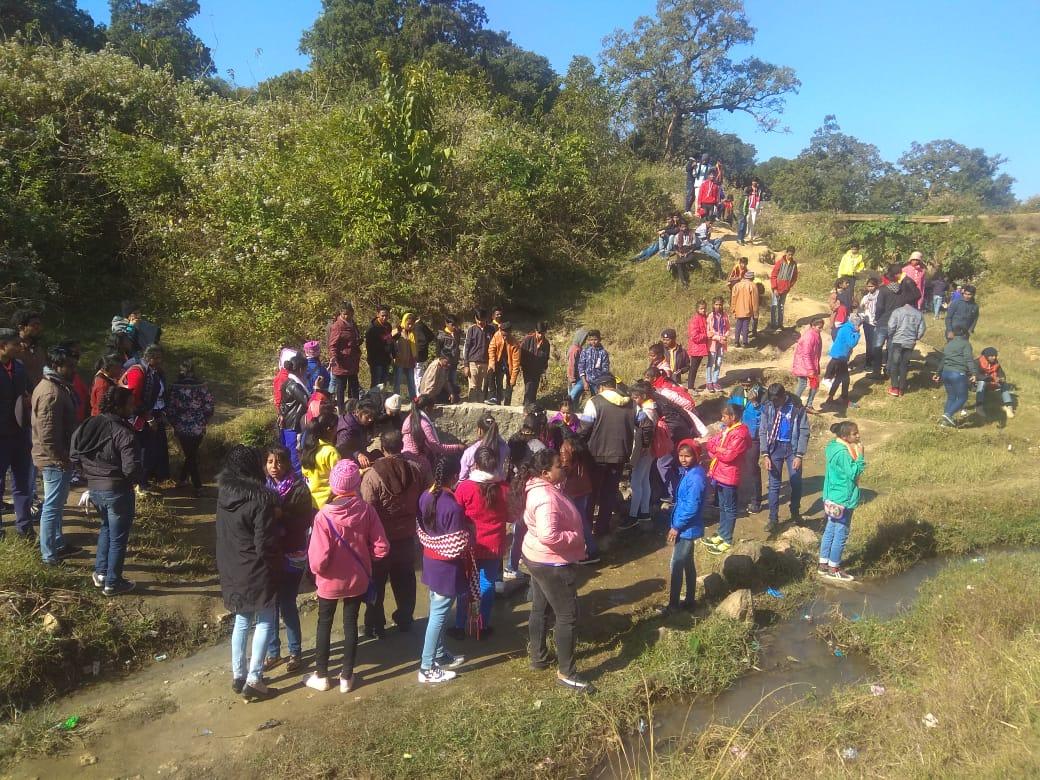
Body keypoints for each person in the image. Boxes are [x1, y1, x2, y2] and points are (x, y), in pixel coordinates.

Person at [306, 459, 389, 693]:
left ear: (333, 486)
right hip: (357, 580)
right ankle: (346, 677)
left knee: (324, 623)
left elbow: (318, 560)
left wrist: (318, 573)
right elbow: (382, 547)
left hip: (329, 582)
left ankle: (322, 675)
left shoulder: (323, 516)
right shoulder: (367, 511)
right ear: (356, 484)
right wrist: (367, 559)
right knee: (350, 623)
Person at [517, 449, 591, 691]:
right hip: (551, 563)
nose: (564, 467)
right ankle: (567, 673)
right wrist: (575, 537)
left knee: (541, 607)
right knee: (567, 615)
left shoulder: (541, 488)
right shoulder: (546, 498)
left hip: (536, 556)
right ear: (545, 473)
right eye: (559, 465)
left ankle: (538, 658)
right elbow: (550, 534)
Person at [215, 445, 280, 701]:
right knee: (265, 619)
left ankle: (239, 674)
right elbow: (265, 544)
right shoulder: (261, 499)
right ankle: (254, 679)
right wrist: (276, 565)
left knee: (242, 620)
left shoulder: (223, 495)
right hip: (256, 568)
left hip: (232, 567)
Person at [70, 386, 139, 594]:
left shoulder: (89, 424)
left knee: (106, 529)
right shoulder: (123, 432)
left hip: (95, 489)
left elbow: (74, 454)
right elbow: (131, 468)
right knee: (118, 537)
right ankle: (113, 582)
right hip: (117, 490)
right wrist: (130, 480)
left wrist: (90, 475)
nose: (133, 407)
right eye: (130, 404)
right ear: (119, 406)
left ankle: (100, 574)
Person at [359, 428, 424, 640]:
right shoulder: (415, 469)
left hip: (380, 540)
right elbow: (425, 496)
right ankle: (405, 618)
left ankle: (376, 626)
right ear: (401, 447)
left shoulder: (372, 476)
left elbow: (367, 509)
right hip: (406, 535)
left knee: (377, 582)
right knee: (405, 579)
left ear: (383, 448)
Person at [415, 456, 470, 684]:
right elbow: (458, 545)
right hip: (447, 567)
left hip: (431, 561)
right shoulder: (453, 507)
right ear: (455, 476)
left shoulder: (425, 496)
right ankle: (426, 667)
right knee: (438, 615)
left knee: (436, 609)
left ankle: (437, 654)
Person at [262, 445, 314, 674]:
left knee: (287, 603)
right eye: (271, 462)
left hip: (293, 554)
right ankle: (273, 652)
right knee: (270, 605)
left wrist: (283, 515)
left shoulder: (300, 489)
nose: (275, 467)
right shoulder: (262, 489)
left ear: (288, 464)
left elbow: (305, 522)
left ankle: (295, 652)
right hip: (271, 555)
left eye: (280, 462)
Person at [452, 446, 509, 638]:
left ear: (475, 464)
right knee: (487, 584)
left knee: (464, 585)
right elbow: (510, 516)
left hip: (469, 545)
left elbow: (456, 515)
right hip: (494, 545)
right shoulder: (504, 488)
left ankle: (460, 626)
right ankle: (482, 626)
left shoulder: (465, 487)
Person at [31, 345, 80, 565]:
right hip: (54, 459)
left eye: (73, 364)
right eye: (68, 366)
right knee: (51, 507)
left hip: (57, 456)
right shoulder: (51, 392)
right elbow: (47, 433)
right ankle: (49, 555)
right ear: (56, 366)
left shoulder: (57, 386)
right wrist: (60, 458)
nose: (73, 369)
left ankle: (58, 543)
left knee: (57, 505)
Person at [580, 377, 635, 536]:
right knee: (609, 493)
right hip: (620, 456)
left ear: (602, 387)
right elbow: (644, 423)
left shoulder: (594, 402)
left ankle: (587, 529)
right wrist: (644, 444)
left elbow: (585, 429)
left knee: (591, 493)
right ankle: (602, 529)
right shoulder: (630, 403)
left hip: (596, 456)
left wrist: (578, 447)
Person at [818, 421, 866, 582]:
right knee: (841, 533)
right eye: (854, 433)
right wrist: (861, 456)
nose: (858, 435)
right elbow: (853, 473)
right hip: (842, 498)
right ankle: (834, 568)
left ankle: (823, 565)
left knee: (830, 529)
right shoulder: (843, 453)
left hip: (831, 495)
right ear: (845, 436)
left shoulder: (833, 446)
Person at [663, 439, 707, 612]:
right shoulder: (690, 472)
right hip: (687, 526)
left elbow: (691, 507)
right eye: (680, 456)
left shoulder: (695, 478)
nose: (683, 459)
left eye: (687, 456)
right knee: (688, 563)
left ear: (695, 456)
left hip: (687, 528)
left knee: (676, 564)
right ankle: (690, 600)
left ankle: (673, 606)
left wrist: (677, 526)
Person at [759, 383, 809, 533]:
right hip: (774, 448)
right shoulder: (768, 407)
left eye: (777, 401)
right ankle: (773, 519)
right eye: (772, 400)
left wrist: (799, 455)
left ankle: (795, 513)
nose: (774, 403)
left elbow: (804, 430)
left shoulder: (796, 407)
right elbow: (763, 430)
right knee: (774, 485)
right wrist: (765, 454)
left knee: (796, 481)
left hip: (792, 449)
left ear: (783, 396)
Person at [120, 344, 169, 494]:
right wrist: (148, 417)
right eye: (158, 358)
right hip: (138, 419)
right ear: (150, 357)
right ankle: (138, 484)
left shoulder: (152, 371)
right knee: (142, 450)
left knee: (150, 450)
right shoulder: (138, 371)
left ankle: (144, 481)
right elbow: (133, 399)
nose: (160, 361)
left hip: (149, 414)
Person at [166, 359, 215, 496]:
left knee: (190, 454)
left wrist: (174, 423)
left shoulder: (175, 388)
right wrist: (204, 420)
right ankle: (196, 485)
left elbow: (170, 409)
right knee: (191, 454)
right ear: (193, 371)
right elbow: (209, 407)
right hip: (198, 427)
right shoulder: (202, 386)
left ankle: (187, 482)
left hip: (181, 426)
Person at [627, 382, 664, 528]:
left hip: (644, 451)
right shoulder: (653, 406)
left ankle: (633, 515)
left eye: (635, 397)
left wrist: (644, 446)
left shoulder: (644, 412)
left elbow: (646, 430)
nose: (633, 399)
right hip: (651, 450)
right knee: (644, 480)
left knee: (636, 483)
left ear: (642, 396)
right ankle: (645, 512)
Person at [557, 432, 597, 563]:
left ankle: (589, 551)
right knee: (582, 519)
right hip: (584, 485)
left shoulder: (565, 447)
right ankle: (589, 549)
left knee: (576, 521)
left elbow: (565, 467)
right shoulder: (580, 445)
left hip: (572, 488)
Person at [402, 395, 464, 472]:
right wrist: (458, 447)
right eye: (432, 408)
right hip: (419, 463)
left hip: (405, 458)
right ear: (427, 409)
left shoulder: (408, 419)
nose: (433, 411)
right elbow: (436, 447)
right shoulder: (424, 424)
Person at [870, 263, 908, 381]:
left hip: (883, 322)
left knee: (877, 347)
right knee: (891, 348)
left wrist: (876, 317)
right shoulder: (902, 290)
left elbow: (880, 307)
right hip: (896, 323)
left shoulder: (883, 290)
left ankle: (876, 372)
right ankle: (889, 370)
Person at [934, 326, 975, 427]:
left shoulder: (949, 344)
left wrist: (937, 373)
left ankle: (945, 423)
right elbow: (969, 359)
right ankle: (948, 414)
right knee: (963, 397)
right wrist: (974, 373)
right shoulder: (966, 344)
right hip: (957, 373)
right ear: (965, 334)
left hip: (945, 373)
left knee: (951, 397)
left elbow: (943, 360)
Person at [300, 413, 341, 509]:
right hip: (328, 502)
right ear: (329, 429)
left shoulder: (309, 448)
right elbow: (341, 478)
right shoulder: (331, 452)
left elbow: (305, 474)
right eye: (336, 427)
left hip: (312, 501)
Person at [887, 299, 926, 398]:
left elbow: (891, 326)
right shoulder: (918, 314)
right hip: (910, 342)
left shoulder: (897, 311)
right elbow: (922, 329)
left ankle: (895, 387)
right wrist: (916, 337)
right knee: (904, 364)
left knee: (895, 363)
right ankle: (901, 389)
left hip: (898, 340)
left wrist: (891, 335)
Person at [277, 355, 309, 476]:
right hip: (293, 424)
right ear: (301, 369)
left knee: (289, 454)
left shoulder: (288, 382)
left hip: (288, 423)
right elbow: (307, 401)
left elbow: (283, 403)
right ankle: (297, 482)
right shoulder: (294, 385)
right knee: (294, 456)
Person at [822, 314, 861, 411]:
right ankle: (844, 399)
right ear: (856, 324)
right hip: (840, 356)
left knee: (839, 378)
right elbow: (851, 343)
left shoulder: (846, 327)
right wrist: (857, 334)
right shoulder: (848, 329)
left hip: (838, 355)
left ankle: (831, 398)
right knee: (845, 379)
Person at [328, 301, 362, 409]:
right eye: (344, 314)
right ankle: (341, 411)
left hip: (353, 360)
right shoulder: (337, 326)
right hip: (342, 362)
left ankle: (354, 409)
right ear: (341, 314)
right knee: (341, 388)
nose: (347, 316)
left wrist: (358, 341)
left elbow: (354, 337)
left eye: (349, 313)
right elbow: (332, 344)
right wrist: (334, 357)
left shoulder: (353, 323)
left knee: (354, 387)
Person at [459, 414, 509, 481]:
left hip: (475, 486)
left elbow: (463, 477)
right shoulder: (504, 448)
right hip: (497, 485)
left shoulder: (470, 451)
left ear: (479, 430)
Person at [792, 317, 824, 413]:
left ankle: (807, 405)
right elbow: (806, 354)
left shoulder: (816, 334)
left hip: (810, 364)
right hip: (804, 365)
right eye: (819, 327)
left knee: (814, 384)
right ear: (812, 326)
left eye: (822, 327)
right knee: (803, 384)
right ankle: (794, 404)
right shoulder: (809, 337)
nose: (821, 329)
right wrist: (810, 369)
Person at [570, 330, 610, 404]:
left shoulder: (603, 353)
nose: (593, 342)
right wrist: (585, 382)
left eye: (595, 339)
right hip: (585, 380)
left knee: (597, 401)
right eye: (591, 340)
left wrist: (600, 384)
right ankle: (571, 411)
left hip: (597, 382)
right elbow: (581, 367)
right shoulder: (585, 351)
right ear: (589, 341)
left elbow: (605, 370)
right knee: (572, 394)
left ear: (600, 340)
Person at [975, 347, 1015, 420]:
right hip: (978, 383)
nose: (994, 357)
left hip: (993, 382)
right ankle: (979, 406)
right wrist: (990, 378)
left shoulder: (996, 363)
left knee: (1004, 384)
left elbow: (1001, 373)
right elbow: (976, 375)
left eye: (995, 356)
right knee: (982, 382)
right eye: (992, 356)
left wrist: (1001, 378)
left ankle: (1009, 406)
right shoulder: (977, 362)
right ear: (987, 356)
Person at [487, 321, 521, 406]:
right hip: (498, 362)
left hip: (509, 365)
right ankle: (495, 399)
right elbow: (491, 349)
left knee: (510, 384)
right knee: (496, 379)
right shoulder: (497, 335)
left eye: (506, 335)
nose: (504, 338)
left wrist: (513, 378)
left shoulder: (515, 343)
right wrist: (492, 363)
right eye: (503, 335)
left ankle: (507, 404)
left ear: (510, 332)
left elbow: (516, 363)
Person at [461, 310, 492, 402]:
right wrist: (466, 365)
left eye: (482, 320)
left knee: (482, 388)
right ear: (475, 318)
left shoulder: (491, 329)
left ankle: (481, 407)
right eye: (478, 320)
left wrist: (491, 363)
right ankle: (472, 407)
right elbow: (466, 348)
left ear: (486, 319)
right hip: (473, 362)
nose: (480, 322)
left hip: (486, 363)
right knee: (473, 388)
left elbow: (493, 347)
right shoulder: (471, 330)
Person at [335, 399, 376, 466]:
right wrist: (358, 454)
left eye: (372, 417)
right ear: (357, 412)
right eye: (367, 417)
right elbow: (340, 450)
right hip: (347, 462)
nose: (370, 420)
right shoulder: (347, 429)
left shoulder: (359, 421)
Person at [365, 305, 396, 391]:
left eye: (386, 315)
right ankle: (372, 401)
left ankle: (381, 401)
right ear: (378, 314)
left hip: (386, 359)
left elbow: (391, 341)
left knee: (384, 382)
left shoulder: (388, 326)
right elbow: (370, 346)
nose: (384, 317)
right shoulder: (372, 328)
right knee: (376, 383)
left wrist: (393, 355)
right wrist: (384, 343)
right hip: (376, 359)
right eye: (382, 315)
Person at [519, 323, 551, 406]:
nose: (541, 335)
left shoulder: (546, 343)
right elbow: (521, 353)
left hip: (538, 370)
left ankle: (532, 406)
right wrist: (521, 365)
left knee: (534, 388)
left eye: (543, 333)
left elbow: (546, 358)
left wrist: (544, 369)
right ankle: (526, 405)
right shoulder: (528, 339)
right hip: (527, 368)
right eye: (539, 333)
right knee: (529, 387)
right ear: (536, 331)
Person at [769, 248, 798, 330]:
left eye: (792, 254)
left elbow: (795, 277)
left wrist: (789, 286)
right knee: (774, 306)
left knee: (781, 306)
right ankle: (773, 324)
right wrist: (775, 288)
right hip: (777, 289)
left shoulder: (794, 264)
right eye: (789, 254)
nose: (790, 256)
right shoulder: (780, 262)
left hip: (785, 289)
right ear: (786, 253)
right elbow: (773, 275)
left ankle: (780, 324)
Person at [393, 313, 419, 401]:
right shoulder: (398, 332)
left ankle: (414, 401)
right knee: (398, 382)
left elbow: (415, 347)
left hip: (410, 362)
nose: (410, 325)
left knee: (411, 382)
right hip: (399, 361)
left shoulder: (413, 333)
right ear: (404, 322)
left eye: (412, 324)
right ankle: (395, 401)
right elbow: (390, 339)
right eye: (408, 323)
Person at [857, 277, 880, 375]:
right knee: (869, 344)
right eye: (868, 286)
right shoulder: (866, 298)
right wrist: (862, 318)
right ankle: (868, 363)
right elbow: (860, 310)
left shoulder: (880, 296)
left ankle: (877, 363)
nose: (870, 288)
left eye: (872, 286)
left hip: (878, 323)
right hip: (868, 324)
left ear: (876, 286)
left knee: (877, 344)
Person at [705, 297, 729, 392]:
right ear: (713, 305)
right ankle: (709, 382)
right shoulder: (710, 316)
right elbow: (708, 332)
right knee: (711, 362)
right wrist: (719, 338)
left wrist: (725, 336)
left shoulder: (725, 316)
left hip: (722, 343)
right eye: (716, 304)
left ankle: (715, 381)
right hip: (713, 343)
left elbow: (727, 328)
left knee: (718, 362)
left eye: (720, 304)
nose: (718, 306)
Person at [436, 316, 462, 402]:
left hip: (454, 363)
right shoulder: (441, 335)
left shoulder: (457, 333)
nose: (454, 327)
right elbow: (438, 350)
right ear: (446, 324)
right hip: (445, 363)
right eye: (452, 324)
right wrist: (440, 360)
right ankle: (443, 398)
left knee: (453, 381)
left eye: (455, 325)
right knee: (444, 382)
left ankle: (452, 398)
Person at [730, 271, 759, 347]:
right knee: (745, 326)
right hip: (747, 310)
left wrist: (733, 309)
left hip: (738, 309)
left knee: (738, 325)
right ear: (752, 278)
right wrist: (755, 313)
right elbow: (755, 301)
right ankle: (745, 342)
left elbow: (733, 298)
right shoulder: (753, 286)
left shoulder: (736, 285)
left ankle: (736, 342)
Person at [686, 301, 710, 391]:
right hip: (696, 348)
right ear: (697, 309)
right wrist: (706, 335)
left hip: (701, 347)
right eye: (701, 308)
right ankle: (690, 387)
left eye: (704, 308)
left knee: (695, 368)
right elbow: (694, 336)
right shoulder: (695, 320)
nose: (703, 310)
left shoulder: (704, 318)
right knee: (693, 368)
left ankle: (691, 386)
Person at [412, 314, 437, 392]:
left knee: (417, 375)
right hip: (422, 354)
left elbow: (422, 340)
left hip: (417, 354)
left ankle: (418, 393)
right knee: (419, 374)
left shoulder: (416, 327)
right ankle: (419, 392)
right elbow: (431, 336)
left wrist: (418, 349)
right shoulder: (422, 325)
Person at [564, 329, 588, 402]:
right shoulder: (574, 349)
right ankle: (569, 411)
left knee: (575, 397)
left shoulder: (579, 348)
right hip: (573, 378)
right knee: (572, 397)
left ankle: (573, 411)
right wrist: (572, 379)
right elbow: (572, 365)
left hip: (577, 377)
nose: (584, 341)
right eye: (584, 339)